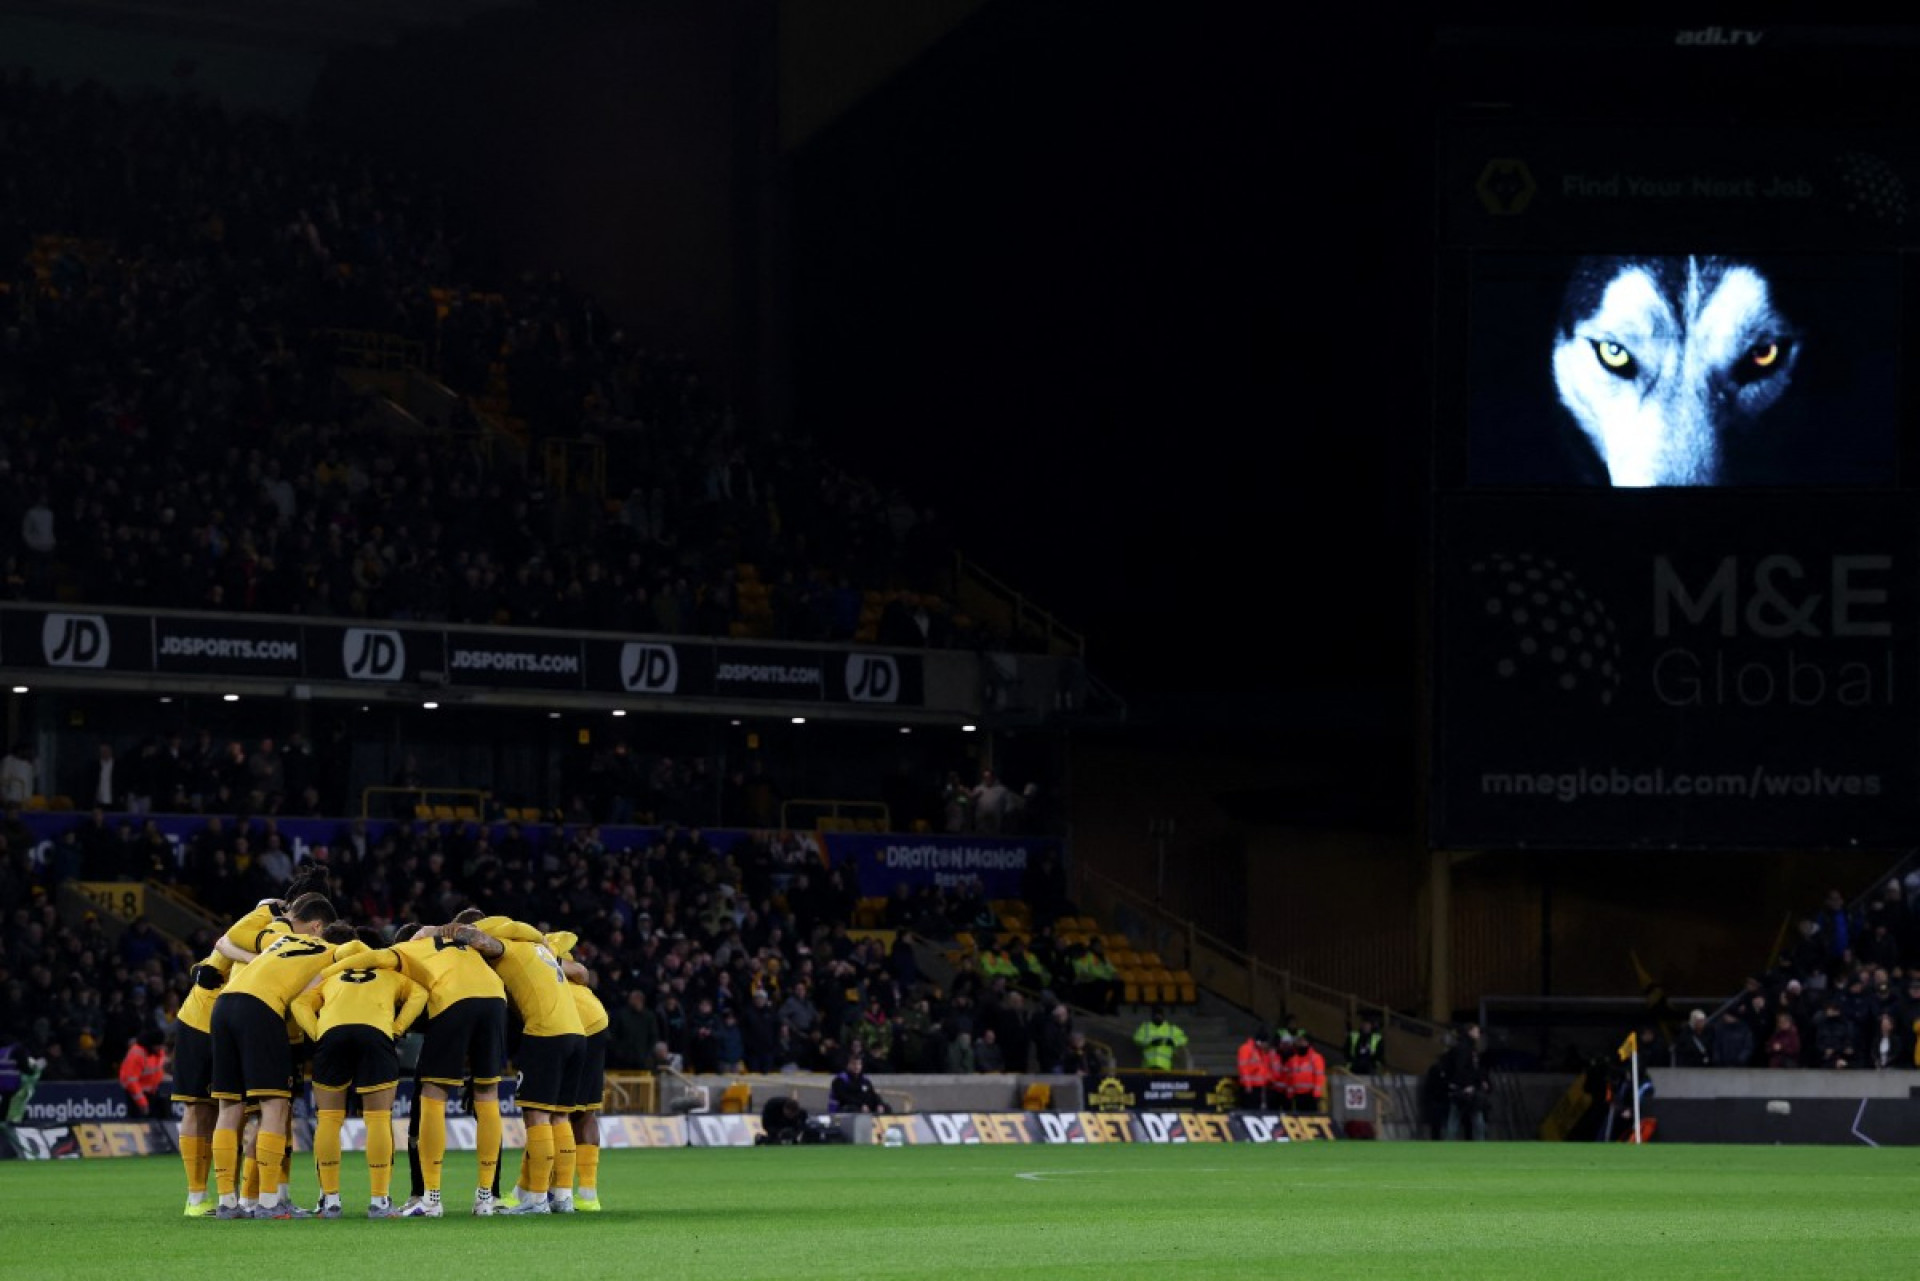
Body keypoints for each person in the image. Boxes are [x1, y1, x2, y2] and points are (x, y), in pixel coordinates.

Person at [323, 909, 509, 1217]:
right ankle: (486, 1198)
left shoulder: (409, 948)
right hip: (495, 1000)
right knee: (487, 1094)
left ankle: (431, 1198)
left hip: (453, 1000)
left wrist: (326, 972)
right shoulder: (461, 945)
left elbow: (372, 959)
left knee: (433, 1094)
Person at [207, 884, 342, 1218]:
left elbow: (227, 941)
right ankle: (269, 1202)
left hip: (223, 1007)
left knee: (229, 1105)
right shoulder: (328, 950)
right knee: (275, 1105)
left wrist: (266, 908)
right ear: (319, 928)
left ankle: (226, 1202)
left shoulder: (278, 940)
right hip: (260, 1010)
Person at [445, 914, 587, 1214]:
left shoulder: (509, 947)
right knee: (561, 1117)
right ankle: (563, 1197)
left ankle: (537, 1199)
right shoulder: (542, 950)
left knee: (537, 1116)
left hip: (546, 1033)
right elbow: (581, 972)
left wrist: (443, 932)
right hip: (576, 1034)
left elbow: (477, 939)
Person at [290, 926, 428, 1218]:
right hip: (375, 1035)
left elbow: (298, 1003)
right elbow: (420, 993)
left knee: (329, 1120)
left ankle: (330, 1201)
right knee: (377, 1119)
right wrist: (397, 1028)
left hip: (332, 1036)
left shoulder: (330, 976)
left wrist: (318, 1033)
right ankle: (379, 1201)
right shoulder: (389, 974)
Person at [1443, 1021, 1490, 1140]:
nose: (1478, 1033)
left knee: (1456, 1120)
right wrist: (1467, 1084)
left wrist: (1480, 1081)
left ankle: (1449, 1144)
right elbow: (1463, 1069)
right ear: (1470, 1032)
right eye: (1476, 1031)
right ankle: (1480, 1144)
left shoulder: (1467, 1048)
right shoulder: (1465, 1049)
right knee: (1473, 1120)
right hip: (1465, 1089)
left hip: (1464, 1088)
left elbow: (1470, 1069)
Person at [118, 1027, 166, 1118]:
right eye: (158, 1045)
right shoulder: (137, 1054)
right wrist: (142, 1103)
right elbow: (131, 1081)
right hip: (137, 1097)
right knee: (139, 1122)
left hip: (152, 1093)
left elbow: (157, 1071)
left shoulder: (157, 1052)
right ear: (152, 1044)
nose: (161, 1048)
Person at [1132, 1004, 1188, 1071]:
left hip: (1165, 1066)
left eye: (1159, 1015)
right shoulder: (1145, 1028)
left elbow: (1183, 1039)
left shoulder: (1171, 1029)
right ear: (1152, 1016)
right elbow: (1137, 1038)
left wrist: (1173, 1042)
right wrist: (1150, 1042)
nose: (1158, 1017)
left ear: (1163, 1016)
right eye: (1156, 1015)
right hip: (1148, 1065)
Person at [1237, 1027, 1277, 1110]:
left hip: (1259, 1087)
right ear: (1260, 1042)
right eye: (1265, 1043)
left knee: (1257, 1109)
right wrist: (1248, 1085)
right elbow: (1244, 1068)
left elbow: (1264, 1068)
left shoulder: (1260, 1051)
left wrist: (1269, 1080)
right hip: (1249, 1087)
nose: (1266, 1045)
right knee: (1249, 1109)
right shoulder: (1246, 1049)